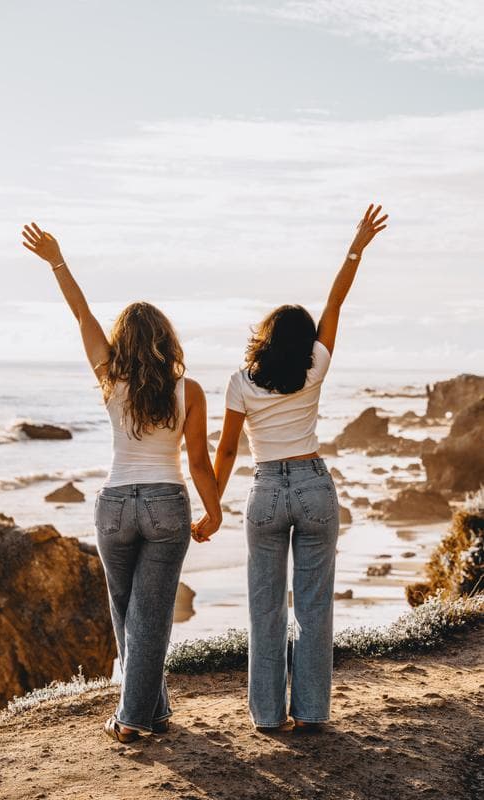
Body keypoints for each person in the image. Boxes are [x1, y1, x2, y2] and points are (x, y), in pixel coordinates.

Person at [21, 222, 222, 743]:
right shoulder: (190, 390)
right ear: (166, 339)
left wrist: (57, 262)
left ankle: (144, 712)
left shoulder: (110, 379)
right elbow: (199, 461)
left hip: (113, 505)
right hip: (165, 503)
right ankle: (140, 716)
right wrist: (215, 510)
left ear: (123, 343)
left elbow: (82, 314)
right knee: (150, 615)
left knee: (129, 612)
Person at [193, 204, 388, 731]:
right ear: (304, 343)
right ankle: (313, 711)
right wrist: (357, 248)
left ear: (265, 337)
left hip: (265, 493)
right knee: (315, 606)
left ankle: (267, 716)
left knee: (266, 611)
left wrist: (212, 508)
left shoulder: (240, 381)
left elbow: (228, 451)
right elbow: (336, 301)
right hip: (314, 485)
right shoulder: (315, 367)